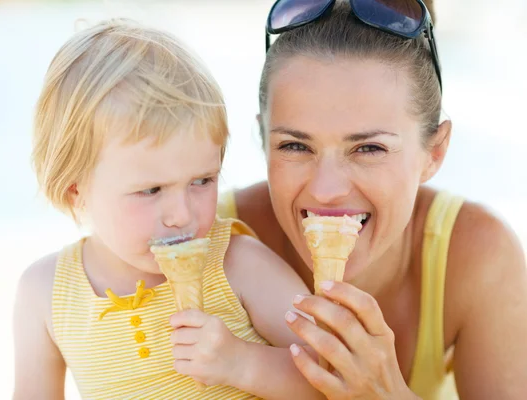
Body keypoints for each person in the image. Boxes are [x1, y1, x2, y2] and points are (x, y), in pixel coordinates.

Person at [218, 0, 527, 399]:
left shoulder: (477, 257)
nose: (326, 190)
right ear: (263, 142)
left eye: (369, 149)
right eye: (295, 145)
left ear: (434, 152)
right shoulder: (204, 243)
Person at [12, 19, 323, 400]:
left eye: (202, 181)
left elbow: (333, 378)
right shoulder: (46, 293)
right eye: (150, 190)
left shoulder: (238, 266)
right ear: (76, 191)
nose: (181, 214)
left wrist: (243, 363)